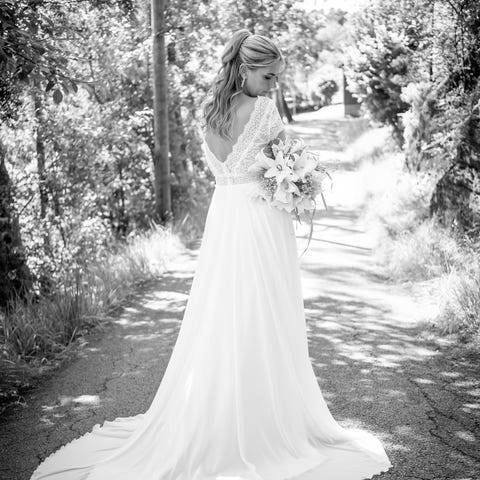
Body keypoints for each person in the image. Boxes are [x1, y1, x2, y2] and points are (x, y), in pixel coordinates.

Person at [30, 29, 393, 480]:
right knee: (265, 311)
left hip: (225, 217)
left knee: (224, 311)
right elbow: (287, 165)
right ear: (245, 69)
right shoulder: (262, 110)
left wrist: (291, 178)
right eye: (269, 76)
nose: (274, 84)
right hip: (260, 218)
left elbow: (242, 169)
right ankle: (263, 419)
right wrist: (301, 185)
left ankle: (221, 410)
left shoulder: (208, 111)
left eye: (277, 76)